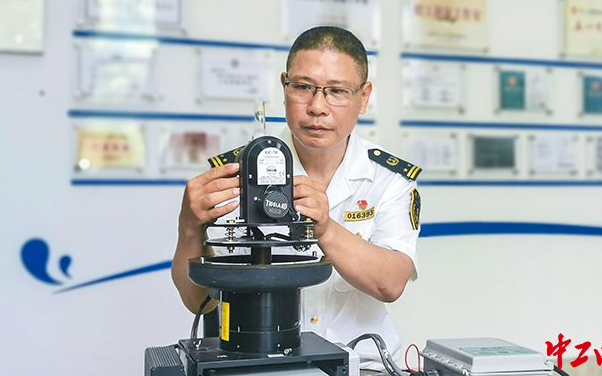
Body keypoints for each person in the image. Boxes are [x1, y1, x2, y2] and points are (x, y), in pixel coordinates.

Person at [172, 26, 421, 369]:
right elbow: (197, 300)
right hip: (258, 366)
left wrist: (326, 229)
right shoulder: (233, 174)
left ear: (364, 97)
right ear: (284, 87)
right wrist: (188, 227)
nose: (317, 107)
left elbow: (390, 284)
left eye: (337, 91)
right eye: (303, 87)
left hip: (362, 365)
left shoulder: (388, 179)